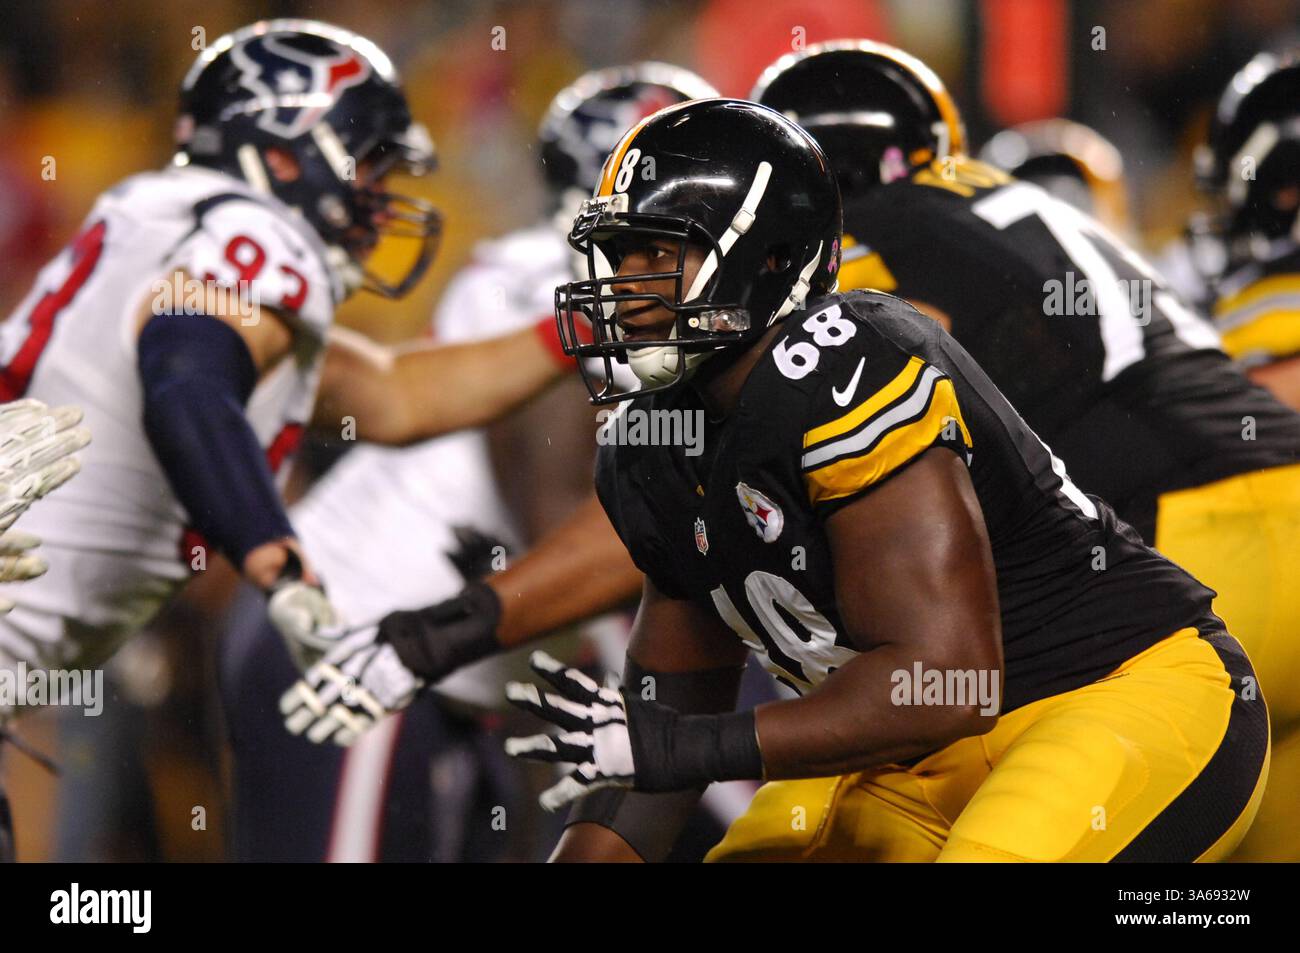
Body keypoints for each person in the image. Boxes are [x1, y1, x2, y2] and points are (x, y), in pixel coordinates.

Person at [298, 98, 1270, 862]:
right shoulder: (649, 444)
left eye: (656, 255)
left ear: (767, 261)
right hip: (903, 755)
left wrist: (685, 749)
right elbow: (663, 731)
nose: (623, 284)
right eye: (617, 254)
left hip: (1106, 695)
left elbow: (947, 676)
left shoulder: (853, 356)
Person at [0, 19, 574, 857]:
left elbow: (393, 393)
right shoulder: (254, 230)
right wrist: (276, 556)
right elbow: (186, 372)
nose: (381, 196)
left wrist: (581, 331)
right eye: (368, 163)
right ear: (279, 156)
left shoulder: (170, 227)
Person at [753, 39, 1300, 862]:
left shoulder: (864, 235)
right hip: (1270, 512)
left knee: (921, 760)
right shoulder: (1001, 204)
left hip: (1191, 547)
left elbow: (872, 377)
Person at [226, 63, 717, 861]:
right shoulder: (570, 288)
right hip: (360, 637)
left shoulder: (559, 272)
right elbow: (567, 506)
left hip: (442, 664)